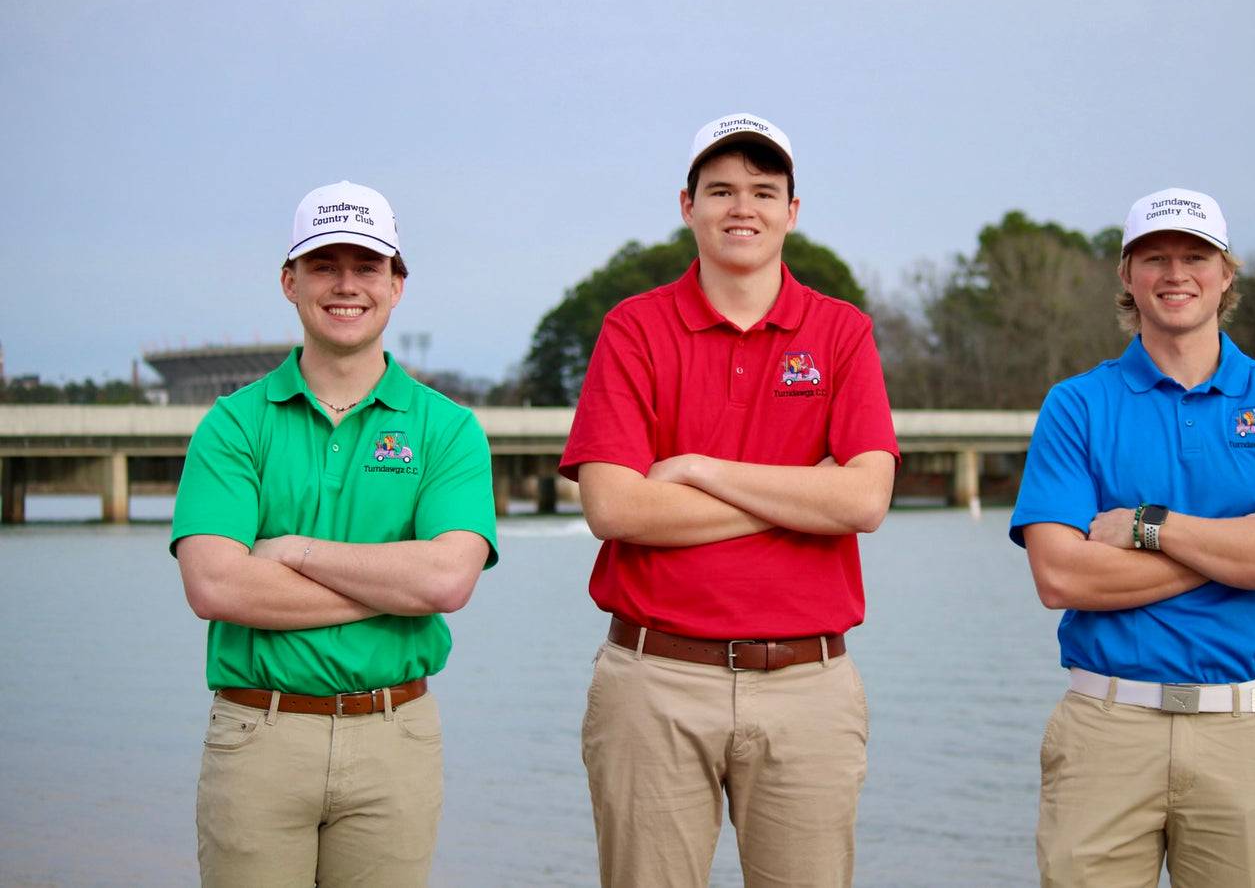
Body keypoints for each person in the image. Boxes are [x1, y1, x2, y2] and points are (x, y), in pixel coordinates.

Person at [559, 113, 899, 888]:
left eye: (762, 191)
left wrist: (697, 469)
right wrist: (802, 491)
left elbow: (864, 499)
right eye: (719, 190)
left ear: (791, 210)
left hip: (808, 686)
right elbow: (613, 508)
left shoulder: (841, 331)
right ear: (687, 206)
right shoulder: (633, 327)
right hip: (654, 679)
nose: (741, 207)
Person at [1009, 188, 1255, 887]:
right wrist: (1241, 546)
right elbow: (1061, 578)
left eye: (1195, 257)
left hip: (1245, 730)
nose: (1175, 274)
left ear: (1225, 274)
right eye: (1153, 258)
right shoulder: (1076, 404)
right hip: (1105, 726)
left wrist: (1148, 527)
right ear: (1127, 276)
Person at [171, 180, 499, 887]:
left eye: (367, 266)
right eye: (323, 265)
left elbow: (448, 581)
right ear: (289, 281)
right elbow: (214, 585)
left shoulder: (448, 429)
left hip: (395, 735)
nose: (346, 285)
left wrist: (296, 552)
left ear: (396, 285)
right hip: (258, 735)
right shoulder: (232, 425)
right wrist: (395, 587)